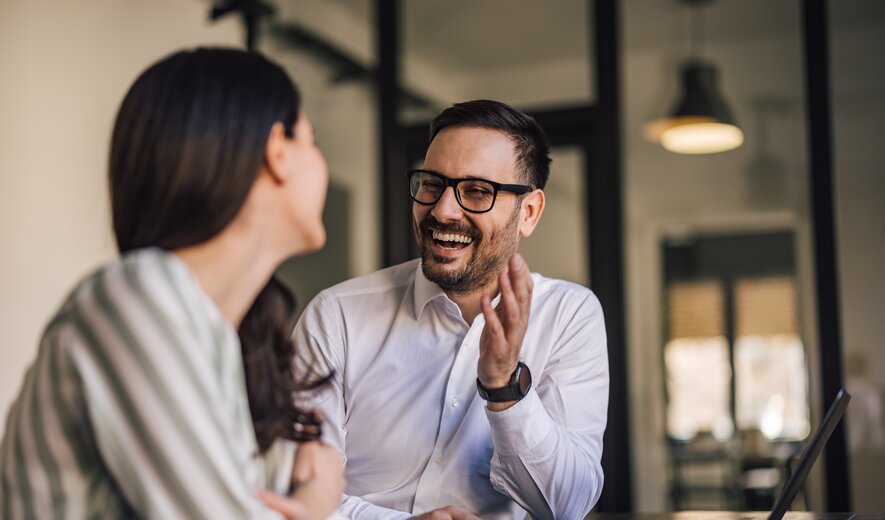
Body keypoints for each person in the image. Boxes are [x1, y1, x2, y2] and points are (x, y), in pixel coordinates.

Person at [0, 48, 345, 519]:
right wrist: (316, 501)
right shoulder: (135, 298)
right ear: (276, 152)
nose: (322, 163)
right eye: (313, 140)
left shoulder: (223, 340)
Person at [293, 100, 609, 520]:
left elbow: (568, 505)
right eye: (431, 184)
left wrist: (504, 389)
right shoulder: (336, 318)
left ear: (528, 212)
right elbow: (296, 491)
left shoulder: (570, 316)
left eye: (477, 191)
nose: (442, 210)